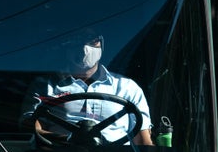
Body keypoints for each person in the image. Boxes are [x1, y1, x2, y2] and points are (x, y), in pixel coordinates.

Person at [21, 31, 153, 145]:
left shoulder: (127, 87)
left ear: (102, 44)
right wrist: (70, 140)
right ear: (65, 46)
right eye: (76, 41)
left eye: (92, 40)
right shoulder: (46, 85)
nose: (84, 47)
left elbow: (143, 141)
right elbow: (30, 125)